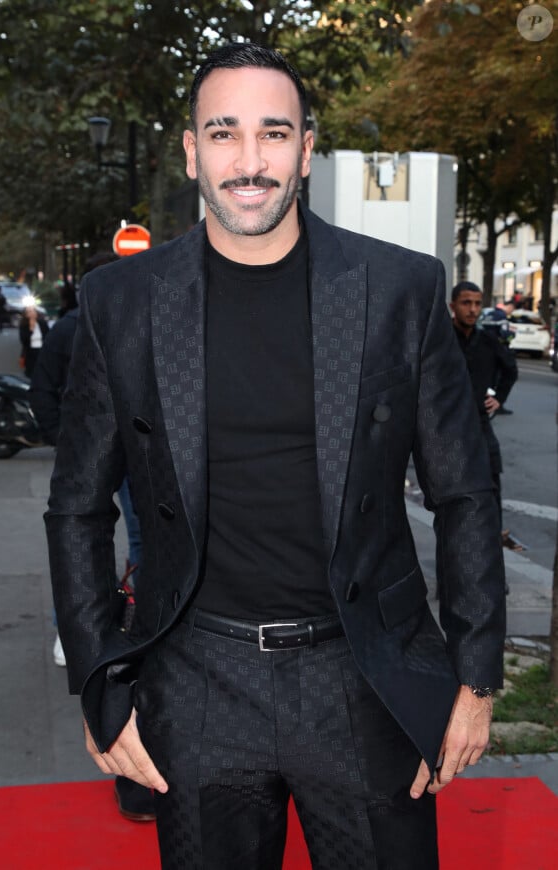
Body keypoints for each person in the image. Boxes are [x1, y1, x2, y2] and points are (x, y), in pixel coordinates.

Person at [45, 43, 506, 869]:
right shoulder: (124, 303)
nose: (249, 162)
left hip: (363, 675)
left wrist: (475, 678)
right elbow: (77, 504)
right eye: (224, 133)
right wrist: (97, 679)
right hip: (195, 675)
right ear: (191, 151)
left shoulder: (396, 290)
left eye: (274, 133)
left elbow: (465, 490)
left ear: (306, 148)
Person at [30, 251, 155, 822]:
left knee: (132, 539)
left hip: (129, 458)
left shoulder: (114, 323)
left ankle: (109, 617)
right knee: (94, 531)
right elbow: (47, 394)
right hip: (102, 451)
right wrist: (75, 442)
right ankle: (78, 629)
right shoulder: (81, 329)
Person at [449, 281, 518, 564]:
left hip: (480, 427)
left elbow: (510, 370)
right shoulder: (441, 340)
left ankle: (493, 573)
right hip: (448, 431)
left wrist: (498, 397)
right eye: (466, 303)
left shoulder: (489, 341)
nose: (473, 309)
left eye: (477, 303)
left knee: (491, 500)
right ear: (453, 306)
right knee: (451, 510)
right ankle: (451, 576)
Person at [19, 305, 49, 377]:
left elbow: (48, 336)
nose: (32, 313)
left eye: (33, 311)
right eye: (29, 312)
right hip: (30, 352)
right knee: (31, 372)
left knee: (42, 372)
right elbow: (24, 340)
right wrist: (31, 329)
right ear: (26, 315)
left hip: (42, 351)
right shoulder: (24, 326)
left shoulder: (42, 323)